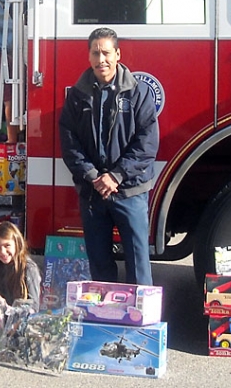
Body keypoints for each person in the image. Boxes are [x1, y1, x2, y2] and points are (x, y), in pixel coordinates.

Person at [59, 27, 159, 285]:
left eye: (106, 52)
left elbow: (147, 143)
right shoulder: (77, 95)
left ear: (117, 54)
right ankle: (106, 319)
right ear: (89, 56)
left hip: (130, 190)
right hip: (93, 191)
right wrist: (93, 176)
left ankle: (141, 323)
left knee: (138, 264)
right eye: (95, 53)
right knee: (99, 265)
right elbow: (69, 140)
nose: (101, 59)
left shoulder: (138, 92)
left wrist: (116, 175)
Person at [0, 221, 41, 306]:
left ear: (17, 244)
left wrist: (7, 308)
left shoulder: (28, 268)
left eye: (7, 246)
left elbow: (34, 307)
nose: (2, 252)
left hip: (21, 317)